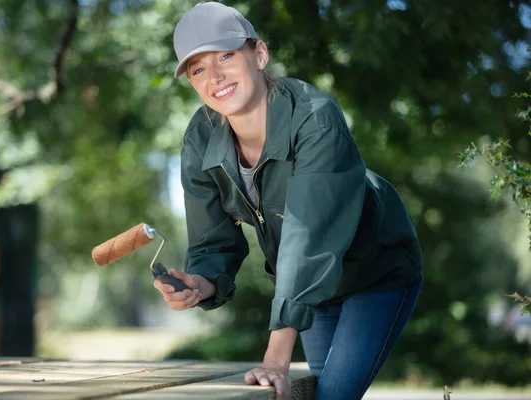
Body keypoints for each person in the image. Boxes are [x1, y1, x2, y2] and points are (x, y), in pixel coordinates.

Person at [152, 3, 423, 400]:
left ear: (259, 54)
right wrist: (201, 283)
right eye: (198, 68)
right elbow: (214, 242)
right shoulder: (199, 138)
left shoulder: (316, 118)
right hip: (308, 287)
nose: (215, 76)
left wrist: (276, 359)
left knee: (331, 396)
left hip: (375, 270)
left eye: (226, 55)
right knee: (314, 392)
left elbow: (307, 238)